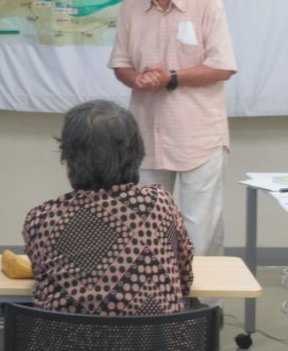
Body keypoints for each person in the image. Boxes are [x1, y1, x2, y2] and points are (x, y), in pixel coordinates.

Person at [108, 0, 237, 257]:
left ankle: (205, 309)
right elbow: (120, 63)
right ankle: (158, 306)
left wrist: (172, 78)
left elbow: (223, 67)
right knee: (147, 229)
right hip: (146, 137)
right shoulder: (131, 6)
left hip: (198, 136)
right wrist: (136, 79)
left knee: (200, 229)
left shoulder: (206, 3)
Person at [22, 99, 193, 316]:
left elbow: (42, 278)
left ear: (69, 159)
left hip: (67, 348)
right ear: (137, 155)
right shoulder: (159, 203)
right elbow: (184, 278)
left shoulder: (41, 219)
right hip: (155, 348)